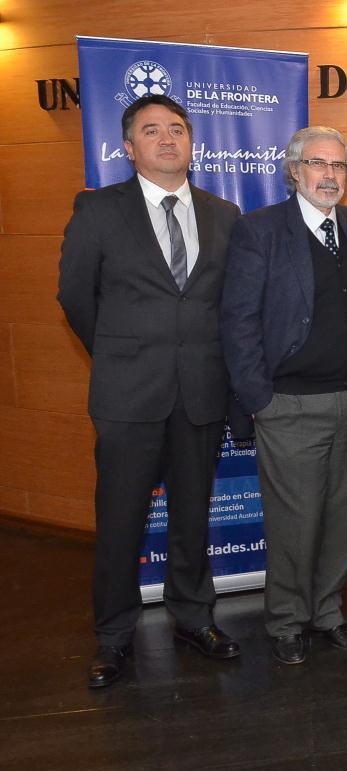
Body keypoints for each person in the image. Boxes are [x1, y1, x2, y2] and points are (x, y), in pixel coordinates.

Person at [58, 94, 242, 688]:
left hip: (201, 392)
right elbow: (75, 297)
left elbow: (230, 304)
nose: (167, 139)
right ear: (129, 147)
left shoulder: (224, 214)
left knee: (192, 515)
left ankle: (193, 616)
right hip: (128, 394)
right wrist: (121, 354)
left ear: (192, 143)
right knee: (120, 520)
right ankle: (113, 635)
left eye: (178, 129)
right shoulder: (97, 210)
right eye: (152, 130)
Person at [220, 126, 347, 665]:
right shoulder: (260, 230)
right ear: (294, 171)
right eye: (318, 164)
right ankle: (287, 620)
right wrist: (259, 400)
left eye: (339, 166)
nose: (329, 175)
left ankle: (328, 611)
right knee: (295, 522)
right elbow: (238, 321)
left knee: (344, 518)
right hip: (289, 404)